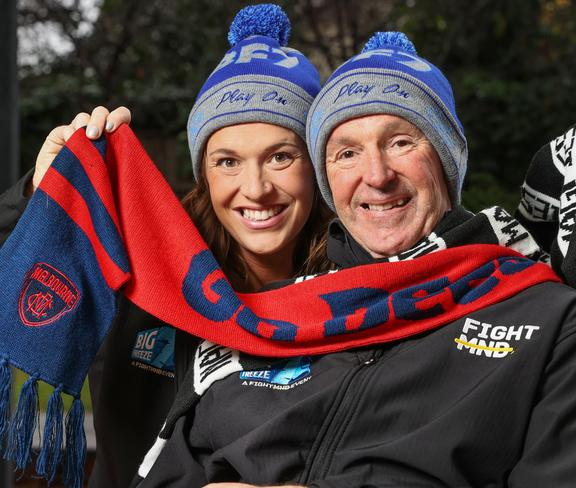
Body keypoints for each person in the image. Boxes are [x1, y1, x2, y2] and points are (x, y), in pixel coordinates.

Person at [134, 31, 576, 488]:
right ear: (327, 180)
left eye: (401, 142)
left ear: (446, 161)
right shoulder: (269, 313)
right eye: (346, 153)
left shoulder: (547, 315)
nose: (376, 175)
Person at [0, 4, 330, 486]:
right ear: (204, 173)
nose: (256, 188)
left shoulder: (354, 288)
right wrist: (40, 201)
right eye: (227, 162)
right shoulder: (141, 260)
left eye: (281, 156)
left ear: (316, 168)